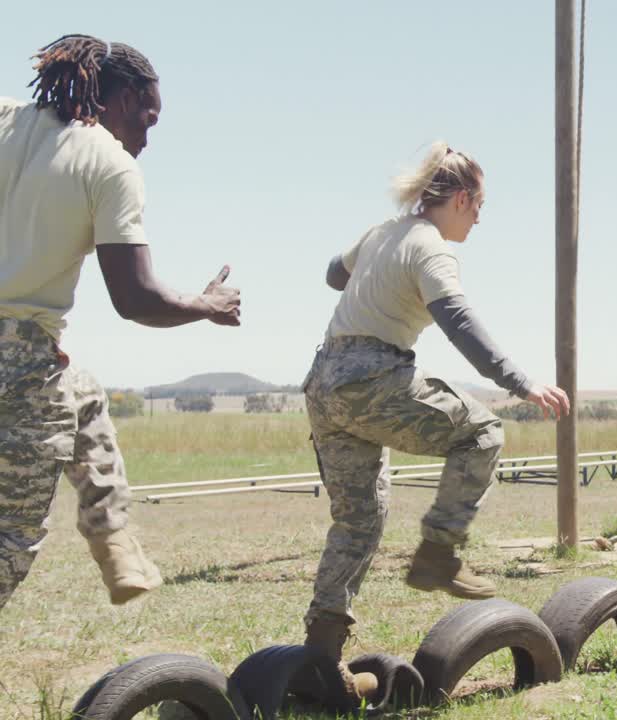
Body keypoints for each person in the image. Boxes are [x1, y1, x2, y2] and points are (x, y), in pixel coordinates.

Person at [302, 141, 570, 678]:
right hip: (373, 376)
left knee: (360, 518)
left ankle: (320, 654)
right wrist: (521, 382)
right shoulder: (433, 248)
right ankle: (439, 554)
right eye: (481, 210)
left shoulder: (384, 232)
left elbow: (334, 273)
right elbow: (458, 322)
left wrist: (373, 271)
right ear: (465, 199)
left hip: (324, 383)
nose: (478, 222)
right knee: (483, 433)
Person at [0, 35, 242, 610]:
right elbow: (136, 298)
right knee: (9, 536)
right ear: (125, 98)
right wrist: (208, 305)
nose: (146, 140)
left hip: (37, 363)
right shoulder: (108, 164)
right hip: (19, 363)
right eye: (148, 120)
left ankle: (115, 541)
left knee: (83, 394)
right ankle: (115, 540)